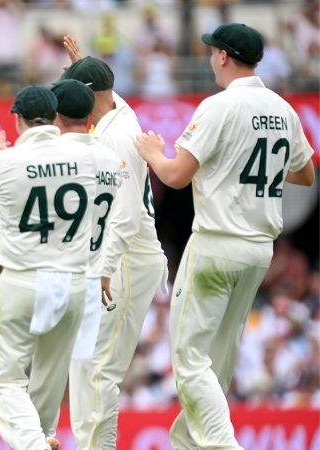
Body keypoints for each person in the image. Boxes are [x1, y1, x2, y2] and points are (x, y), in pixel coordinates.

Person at [134, 23, 315, 450]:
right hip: (258, 251)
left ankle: (223, 445)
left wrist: (152, 153)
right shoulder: (283, 109)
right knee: (218, 360)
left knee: (189, 357)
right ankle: (192, 446)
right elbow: (306, 174)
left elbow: (176, 177)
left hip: (217, 243)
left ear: (223, 57)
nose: (210, 58)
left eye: (212, 52)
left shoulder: (219, 105)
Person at [0, 84, 97, 450]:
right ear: (54, 116)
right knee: (50, 381)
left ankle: (34, 444)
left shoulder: (4, 162)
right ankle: (42, 439)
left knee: (2, 377)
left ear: (17, 119)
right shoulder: (88, 158)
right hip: (73, 281)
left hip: (24, 281)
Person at [58, 44, 168, 450]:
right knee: (83, 362)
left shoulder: (118, 136)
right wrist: (84, 65)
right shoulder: (117, 112)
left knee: (100, 368)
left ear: (90, 92)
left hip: (126, 261)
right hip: (115, 260)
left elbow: (126, 216)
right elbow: (107, 91)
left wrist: (103, 268)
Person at [27, 79, 122, 448]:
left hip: (54, 273)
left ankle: (40, 438)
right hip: (91, 277)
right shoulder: (112, 160)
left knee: (34, 377)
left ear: (54, 115)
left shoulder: (48, 154)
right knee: (83, 379)